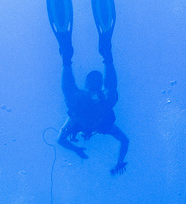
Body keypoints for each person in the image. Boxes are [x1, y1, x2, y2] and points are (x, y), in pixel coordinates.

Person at [49, 0, 129, 175]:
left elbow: (60, 140)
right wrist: (119, 162)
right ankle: (106, 54)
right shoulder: (104, 126)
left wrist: (76, 150)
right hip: (98, 97)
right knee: (109, 98)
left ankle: (66, 58)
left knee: (73, 100)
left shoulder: (74, 123)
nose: (86, 131)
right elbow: (124, 140)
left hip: (85, 98)